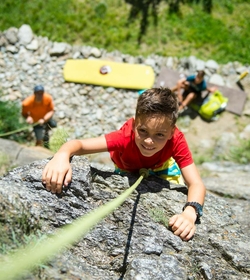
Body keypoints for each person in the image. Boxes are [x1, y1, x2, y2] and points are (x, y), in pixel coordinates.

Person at [42, 88, 206, 241]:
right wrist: (62, 155)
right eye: (143, 131)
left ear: (171, 132)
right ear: (135, 125)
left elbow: (196, 183)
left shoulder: (176, 140)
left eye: (160, 135)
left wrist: (190, 213)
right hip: (126, 169)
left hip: (162, 167)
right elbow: (79, 145)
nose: (149, 141)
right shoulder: (124, 137)